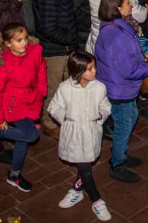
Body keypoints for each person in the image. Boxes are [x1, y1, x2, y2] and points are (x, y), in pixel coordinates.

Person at [94, 0, 148, 184]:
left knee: (130, 117)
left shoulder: (113, 26)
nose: (131, 5)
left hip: (118, 85)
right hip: (120, 88)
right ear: (118, 8)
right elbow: (128, 70)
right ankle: (117, 164)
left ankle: (120, 153)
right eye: (128, 3)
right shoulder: (117, 35)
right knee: (124, 124)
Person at [47, 51, 112, 221]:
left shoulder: (99, 87)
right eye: (89, 69)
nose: (94, 71)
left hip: (91, 132)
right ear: (78, 71)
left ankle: (76, 191)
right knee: (85, 167)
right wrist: (66, 118)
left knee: (85, 164)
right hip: (74, 133)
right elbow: (53, 107)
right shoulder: (65, 88)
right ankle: (96, 200)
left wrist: (100, 116)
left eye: (94, 67)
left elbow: (106, 106)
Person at [0, 22, 46, 193]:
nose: (24, 43)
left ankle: (14, 175)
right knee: (31, 134)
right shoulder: (3, 65)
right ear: (8, 43)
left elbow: (41, 68)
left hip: (33, 101)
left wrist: (42, 90)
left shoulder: (35, 52)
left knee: (23, 140)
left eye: (25, 38)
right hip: (14, 106)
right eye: (19, 40)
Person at [31, 0, 78, 141]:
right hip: (56, 48)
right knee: (53, 87)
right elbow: (49, 26)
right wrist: (69, 40)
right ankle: (49, 122)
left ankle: (60, 116)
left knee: (63, 84)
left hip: (59, 45)